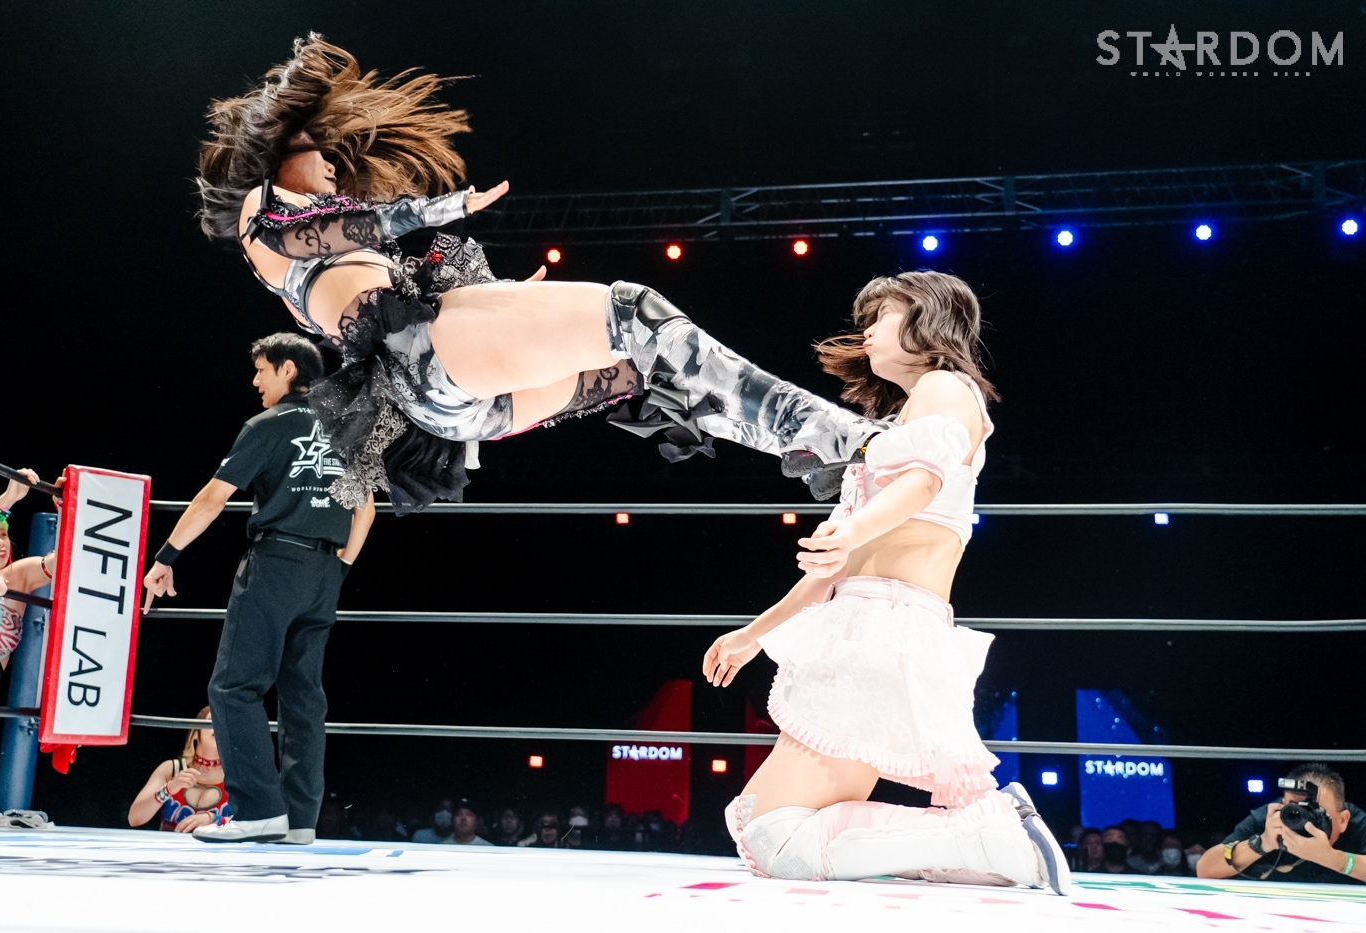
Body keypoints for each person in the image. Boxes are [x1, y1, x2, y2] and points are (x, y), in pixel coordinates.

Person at [196, 35, 885, 512]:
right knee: (633, 311)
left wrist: (498, 302)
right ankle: (843, 436)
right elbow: (340, 231)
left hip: (457, 397)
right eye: (316, 147)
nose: (331, 163)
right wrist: (437, 210)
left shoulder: (327, 245)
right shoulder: (263, 213)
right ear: (276, 148)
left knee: (641, 366)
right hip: (427, 363)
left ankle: (818, 452)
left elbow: (381, 266)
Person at [701, 272, 1068, 893]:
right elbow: (835, 568)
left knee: (775, 836)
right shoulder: (908, 417)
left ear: (927, 320)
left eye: (882, 317)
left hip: (883, 627)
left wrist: (849, 531)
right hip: (870, 622)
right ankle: (985, 842)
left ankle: (987, 835)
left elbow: (922, 483)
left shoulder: (945, 387)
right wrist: (753, 634)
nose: (867, 332)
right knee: (764, 831)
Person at [141, 333, 377, 844]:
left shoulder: (267, 425)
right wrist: (338, 569)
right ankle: (300, 821)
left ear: (288, 369)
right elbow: (366, 510)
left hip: (276, 563)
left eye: (261, 370)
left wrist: (166, 557)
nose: (255, 381)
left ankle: (259, 811)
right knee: (303, 697)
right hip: (324, 571)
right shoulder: (349, 424)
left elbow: (211, 499)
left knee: (233, 687)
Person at [0, 471, 55, 783]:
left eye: (4, 535)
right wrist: (7, 500)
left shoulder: (18, 576)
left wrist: (71, 512)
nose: (1, 542)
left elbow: (64, 563)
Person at [1197, 763, 1365, 884]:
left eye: (1316, 813)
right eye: (1296, 812)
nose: (1306, 821)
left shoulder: (1358, 824)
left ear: (1343, 820)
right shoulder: (1272, 818)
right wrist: (1262, 843)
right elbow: (1205, 870)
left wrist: (1332, 858)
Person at [127, 706, 234, 832]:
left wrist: (215, 820)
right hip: (169, 844)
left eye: (223, 722)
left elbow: (253, 822)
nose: (217, 726)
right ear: (195, 733)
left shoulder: (237, 776)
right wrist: (168, 789)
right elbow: (134, 819)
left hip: (217, 846)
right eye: (211, 721)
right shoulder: (171, 770)